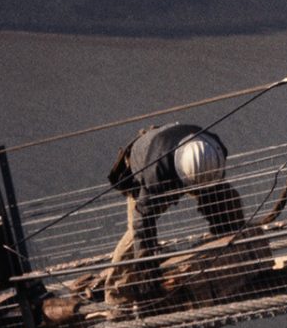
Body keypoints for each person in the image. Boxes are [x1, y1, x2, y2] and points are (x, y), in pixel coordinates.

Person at [105, 123, 247, 304]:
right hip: (145, 166)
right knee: (135, 236)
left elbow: (214, 187)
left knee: (225, 199)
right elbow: (143, 221)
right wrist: (147, 268)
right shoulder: (156, 173)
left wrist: (222, 213)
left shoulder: (212, 149)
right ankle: (115, 296)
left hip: (186, 164)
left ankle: (237, 245)